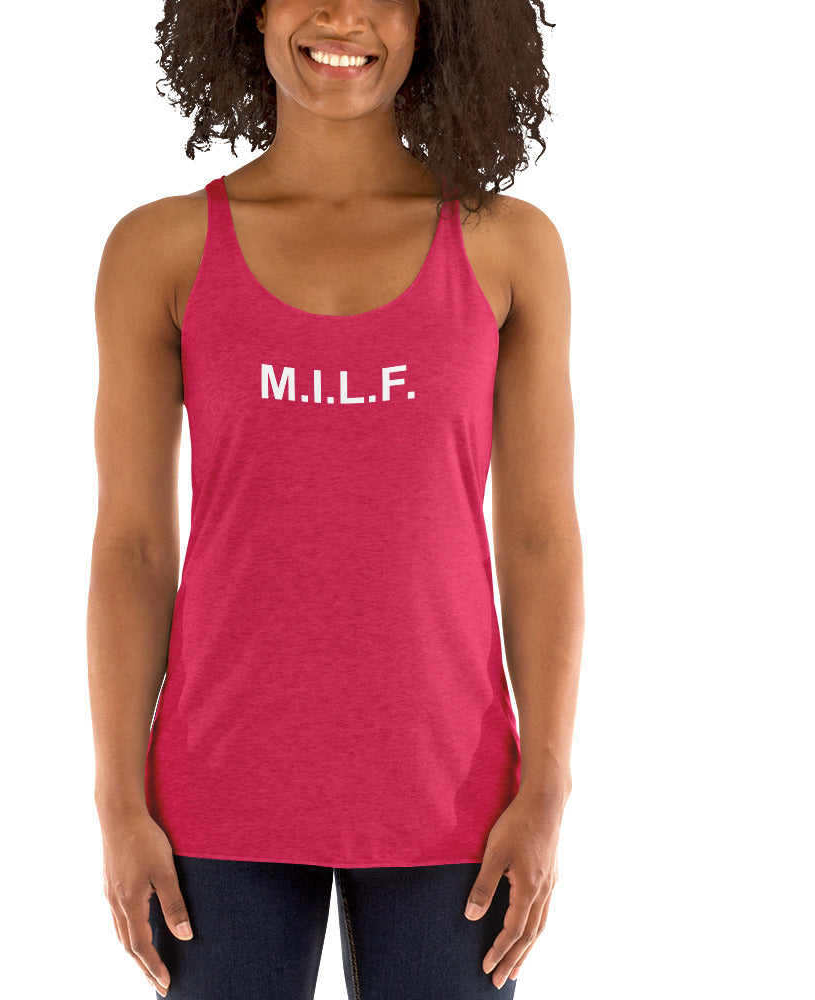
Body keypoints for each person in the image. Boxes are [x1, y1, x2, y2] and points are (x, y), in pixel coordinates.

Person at [86, 1, 583, 997]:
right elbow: (133, 546)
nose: (344, 15)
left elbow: (538, 539)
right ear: (249, 9)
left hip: (453, 799)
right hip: (217, 794)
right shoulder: (160, 249)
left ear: (435, 19)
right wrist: (117, 803)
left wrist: (546, 790)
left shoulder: (507, 246)